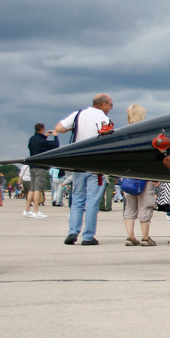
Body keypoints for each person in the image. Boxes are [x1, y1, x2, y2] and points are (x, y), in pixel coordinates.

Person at [54, 94, 114, 245]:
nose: (111, 108)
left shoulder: (78, 114)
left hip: (78, 163)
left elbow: (59, 128)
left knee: (77, 198)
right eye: (110, 105)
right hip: (95, 164)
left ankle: (73, 231)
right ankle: (88, 236)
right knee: (93, 201)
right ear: (104, 104)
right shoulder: (104, 119)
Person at [121, 104, 157, 246]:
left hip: (128, 175)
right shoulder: (147, 134)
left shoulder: (123, 134)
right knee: (145, 206)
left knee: (129, 207)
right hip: (144, 174)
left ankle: (130, 236)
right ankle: (145, 237)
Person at [24, 122, 60, 218]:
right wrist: (55, 136)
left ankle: (27, 209)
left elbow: (36, 145)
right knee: (38, 189)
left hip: (32, 166)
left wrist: (45, 136)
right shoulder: (42, 141)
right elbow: (56, 145)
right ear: (42, 129)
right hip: (40, 166)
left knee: (32, 188)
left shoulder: (32, 139)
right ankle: (36, 211)